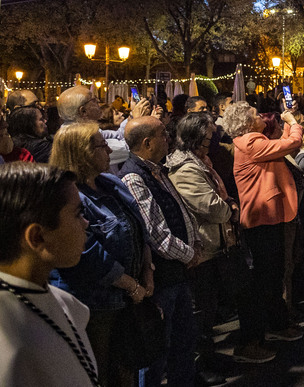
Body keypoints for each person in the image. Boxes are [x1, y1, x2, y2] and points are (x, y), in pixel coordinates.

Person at [167, 113, 275, 367]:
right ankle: (202, 365)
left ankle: (248, 345)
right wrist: (232, 208)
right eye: (207, 138)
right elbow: (213, 207)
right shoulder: (184, 168)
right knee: (204, 312)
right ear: (194, 139)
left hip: (221, 244)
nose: (212, 142)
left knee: (241, 294)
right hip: (206, 249)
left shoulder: (200, 160)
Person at [50, 123, 153, 387]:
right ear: (82, 152)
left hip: (126, 297)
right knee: (100, 375)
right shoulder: (66, 195)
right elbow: (86, 253)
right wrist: (131, 285)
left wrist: (147, 269)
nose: (109, 149)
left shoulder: (110, 183)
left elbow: (138, 227)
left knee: (126, 369)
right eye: (100, 145)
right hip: (94, 304)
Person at [119, 116, 201, 386]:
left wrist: (193, 242)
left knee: (182, 343)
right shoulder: (134, 177)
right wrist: (190, 254)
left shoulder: (157, 170)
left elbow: (178, 211)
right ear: (147, 142)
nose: (169, 139)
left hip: (177, 273)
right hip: (162, 277)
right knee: (157, 351)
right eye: (164, 135)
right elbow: (157, 235)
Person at [0, 163, 98, 386]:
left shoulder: (68, 304)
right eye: (78, 214)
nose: (86, 223)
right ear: (37, 237)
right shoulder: (6, 337)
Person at [222, 101, 304, 349]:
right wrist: (293, 124)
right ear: (248, 123)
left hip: (270, 216)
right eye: (256, 115)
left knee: (273, 273)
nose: (262, 116)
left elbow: (279, 143)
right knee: (266, 276)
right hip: (261, 218)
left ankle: (277, 325)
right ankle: (258, 336)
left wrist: (288, 127)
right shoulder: (250, 143)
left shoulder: (255, 140)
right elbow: (290, 144)